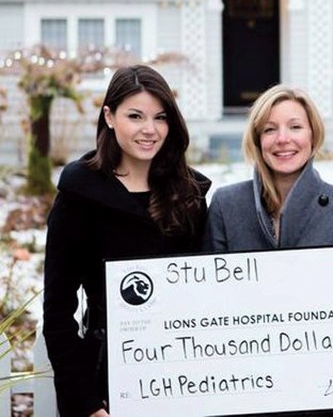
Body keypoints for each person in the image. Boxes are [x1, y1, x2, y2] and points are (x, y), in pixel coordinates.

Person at [43, 65, 211, 417]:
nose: (150, 130)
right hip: (105, 383)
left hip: (182, 378)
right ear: (109, 116)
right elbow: (58, 311)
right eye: (135, 116)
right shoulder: (80, 195)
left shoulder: (188, 194)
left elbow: (204, 296)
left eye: (160, 117)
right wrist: (87, 403)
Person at [204, 84, 333, 416]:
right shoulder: (226, 204)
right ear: (256, 140)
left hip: (325, 394)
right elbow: (208, 305)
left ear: (313, 135)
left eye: (295, 127)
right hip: (244, 392)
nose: (283, 139)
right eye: (270, 129)